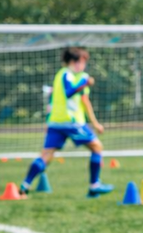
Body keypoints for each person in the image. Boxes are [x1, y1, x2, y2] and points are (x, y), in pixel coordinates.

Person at [20, 47, 114, 198]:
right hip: (72, 123)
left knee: (47, 155)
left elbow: (84, 101)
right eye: (82, 62)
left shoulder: (61, 75)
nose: (83, 65)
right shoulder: (68, 75)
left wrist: (95, 123)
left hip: (55, 123)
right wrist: (85, 82)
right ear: (74, 62)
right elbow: (69, 92)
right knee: (97, 147)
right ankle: (94, 185)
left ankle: (25, 186)